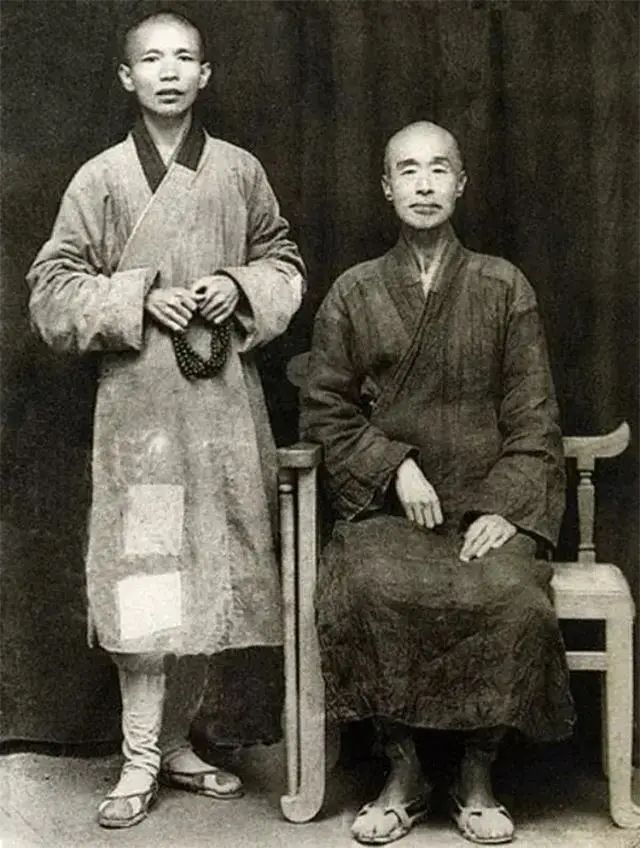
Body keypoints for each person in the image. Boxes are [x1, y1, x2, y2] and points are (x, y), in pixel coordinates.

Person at [27, 4, 304, 829]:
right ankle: (140, 756)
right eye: (153, 59)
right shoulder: (101, 178)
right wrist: (138, 296)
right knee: (147, 576)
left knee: (207, 574)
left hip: (220, 412)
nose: (170, 72)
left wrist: (238, 285)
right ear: (127, 76)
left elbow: (284, 261)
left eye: (185, 57)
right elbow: (51, 293)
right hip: (141, 419)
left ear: (205, 74)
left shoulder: (240, 171)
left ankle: (179, 743)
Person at [301, 121, 574, 845]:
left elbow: (534, 413)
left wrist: (507, 509)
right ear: (387, 187)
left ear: (461, 184)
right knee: (367, 588)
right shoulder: (355, 290)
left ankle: (478, 773)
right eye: (408, 171)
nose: (424, 185)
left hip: (486, 503)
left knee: (514, 595)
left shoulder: (503, 285)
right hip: (389, 511)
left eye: (438, 170)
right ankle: (404, 770)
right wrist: (394, 466)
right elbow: (324, 407)